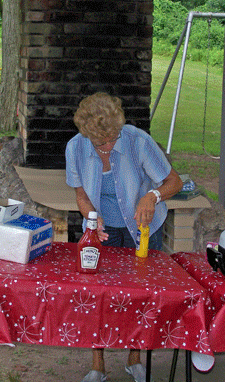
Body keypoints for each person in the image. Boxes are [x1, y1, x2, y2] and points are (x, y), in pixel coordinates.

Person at [65, 92, 183, 382]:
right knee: (96, 295)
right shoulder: (75, 148)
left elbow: (174, 182)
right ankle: (97, 365)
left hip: (142, 228)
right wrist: (93, 218)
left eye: (112, 139)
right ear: (87, 134)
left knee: (140, 296)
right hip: (101, 233)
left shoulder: (137, 140)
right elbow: (81, 194)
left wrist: (152, 196)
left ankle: (134, 359)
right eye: (100, 142)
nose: (107, 146)